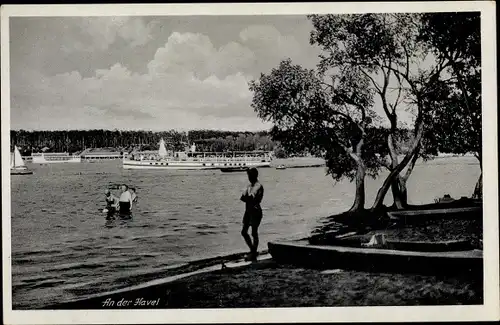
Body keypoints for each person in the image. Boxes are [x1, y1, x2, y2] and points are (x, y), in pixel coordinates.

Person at [240, 167, 264, 261]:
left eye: (250, 175)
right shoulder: (250, 186)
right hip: (248, 211)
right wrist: (248, 197)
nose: (249, 177)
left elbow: (249, 197)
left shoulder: (258, 186)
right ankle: (252, 250)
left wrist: (248, 197)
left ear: (254, 175)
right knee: (244, 232)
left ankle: (253, 252)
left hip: (255, 211)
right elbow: (243, 198)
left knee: (254, 232)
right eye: (248, 175)